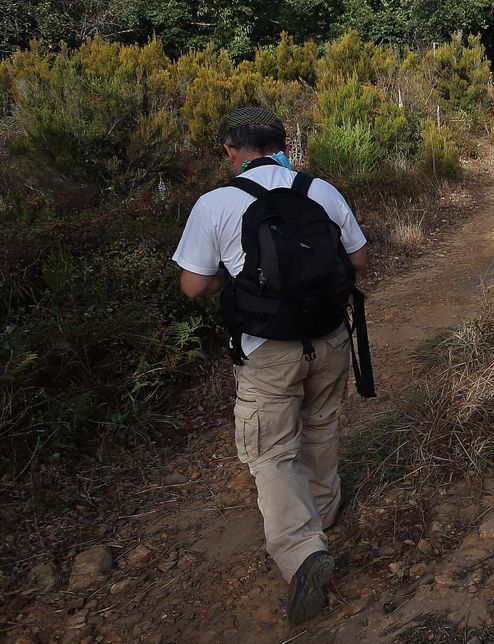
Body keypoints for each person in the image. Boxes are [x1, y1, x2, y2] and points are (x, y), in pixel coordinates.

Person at [171, 107, 369, 625]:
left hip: (266, 348)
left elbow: (193, 285)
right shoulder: (320, 190)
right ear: (283, 144)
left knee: (272, 451)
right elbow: (358, 260)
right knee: (321, 424)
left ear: (230, 151)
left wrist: (235, 281)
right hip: (329, 336)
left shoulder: (216, 203)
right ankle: (323, 515)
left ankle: (303, 552)